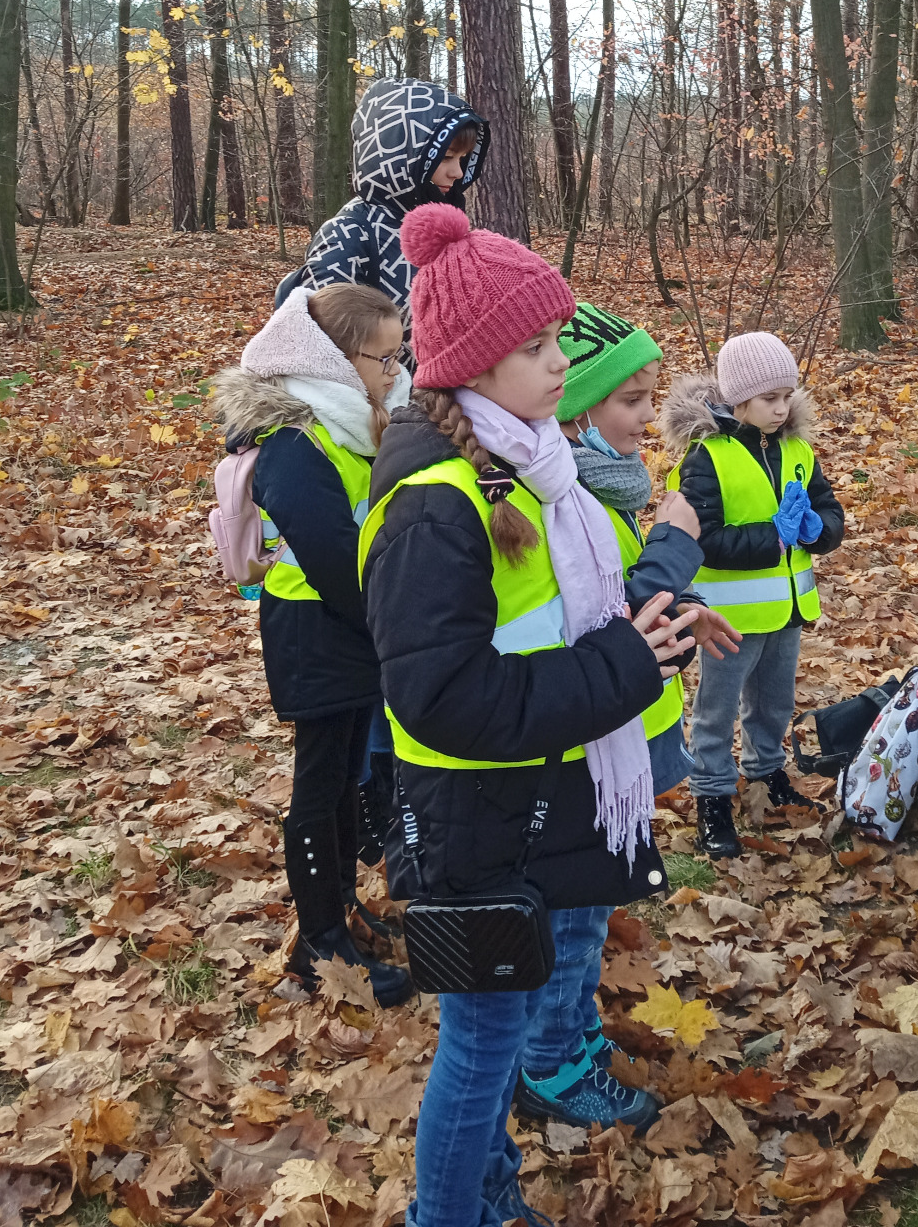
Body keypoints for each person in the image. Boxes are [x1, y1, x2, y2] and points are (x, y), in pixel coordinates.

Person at [360, 207, 696, 1227]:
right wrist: (625, 664)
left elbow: (545, 626)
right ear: (469, 363)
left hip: (529, 803)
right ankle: (448, 1213)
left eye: (556, 341)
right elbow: (447, 697)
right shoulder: (437, 502)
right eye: (535, 346)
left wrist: (647, 623)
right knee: (480, 1043)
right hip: (475, 817)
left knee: (496, 1035)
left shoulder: (530, 469)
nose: (561, 364)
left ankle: (489, 1194)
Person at [510, 302, 742, 1132]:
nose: (650, 418)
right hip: (584, 748)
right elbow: (601, 629)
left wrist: (684, 606)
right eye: (631, 402)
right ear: (577, 410)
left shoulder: (593, 490)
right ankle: (549, 1066)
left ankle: (567, 1035)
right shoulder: (557, 500)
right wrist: (677, 547)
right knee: (573, 915)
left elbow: (625, 603)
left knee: (592, 908)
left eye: (651, 398)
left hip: (615, 736)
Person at [212, 283, 412, 1004]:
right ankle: (317, 942)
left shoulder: (346, 424)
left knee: (346, 778)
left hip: (351, 632)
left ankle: (340, 909)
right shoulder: (296, 444)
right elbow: (332, 555)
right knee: (319, 783)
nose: (394, 373)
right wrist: (392, 621)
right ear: (331, 360)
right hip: (315, 632)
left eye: (398, 357)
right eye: (382, 359)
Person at [659, 331, 845, 860]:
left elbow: (830, 511)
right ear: (737, 399)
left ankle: (766, 773)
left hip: (785, 610)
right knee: (716, 711)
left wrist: (816, 529)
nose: (781, 409)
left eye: (788, 396)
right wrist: (774, 537)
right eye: (769, 399)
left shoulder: (798, 450)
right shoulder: (706, 459)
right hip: (728, 619)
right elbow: (704, 539)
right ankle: (712, 795)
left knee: (773, 702)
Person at [276, 78, 489, 313]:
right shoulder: (349, 233)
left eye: (463, 159)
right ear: (400, 154)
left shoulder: (441, 229)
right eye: (446, 157)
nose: (458, 173)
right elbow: (323, 340)